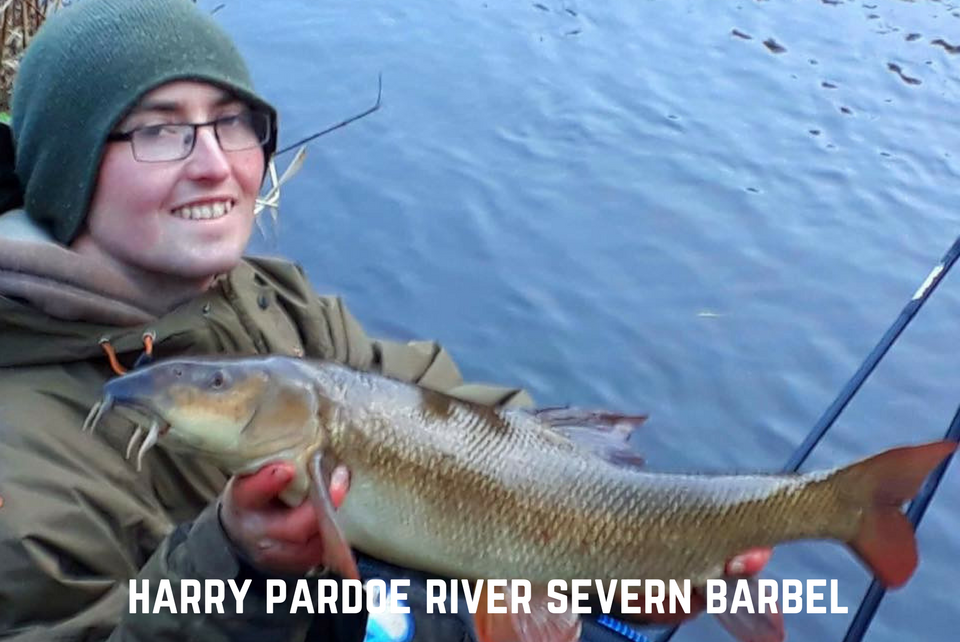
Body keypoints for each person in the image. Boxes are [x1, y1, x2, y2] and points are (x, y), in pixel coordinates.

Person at [0, 1, 768, 641]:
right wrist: (237, 562)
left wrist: (616, 556)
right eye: (159, 130)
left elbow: (463, 433)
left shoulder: (271, 303)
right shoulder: (21, 457)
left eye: (233, 122)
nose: (215, 164)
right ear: (69, 168)